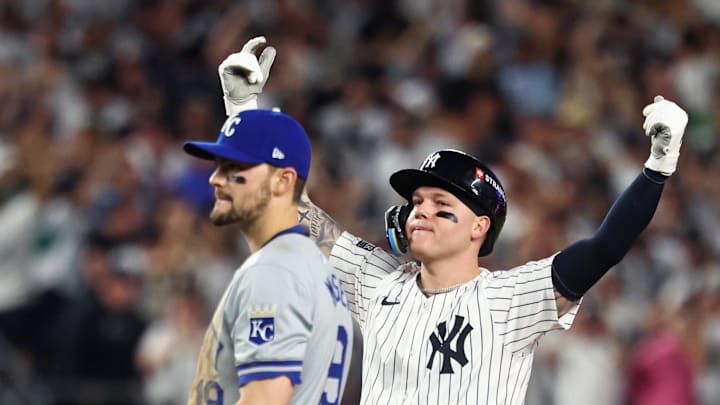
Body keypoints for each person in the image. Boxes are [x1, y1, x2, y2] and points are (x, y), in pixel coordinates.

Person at [221, 38, 688, 404]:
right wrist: (244, 114)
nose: (421, 210)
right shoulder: (378, 281)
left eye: (442, 205)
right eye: (416, 200)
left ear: (478, 228)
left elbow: (603, 248)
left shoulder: (509, 300)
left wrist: (657, 169)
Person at [182, 67, 353, 404]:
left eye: (235, 168)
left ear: (283, 181)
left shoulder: (274, 271)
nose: (216, 179)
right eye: (219, 165)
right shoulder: (310, 263)